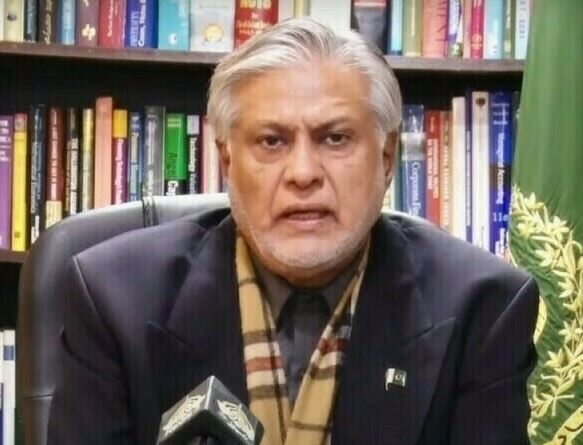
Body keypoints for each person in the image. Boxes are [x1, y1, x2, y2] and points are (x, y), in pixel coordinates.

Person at [47, 18, 539, 445]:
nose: (303, 173)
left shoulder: (483, 306)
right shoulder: (115, 297)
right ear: (226, 160)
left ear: (387, 158)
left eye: (335, 138)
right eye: (271, 141)